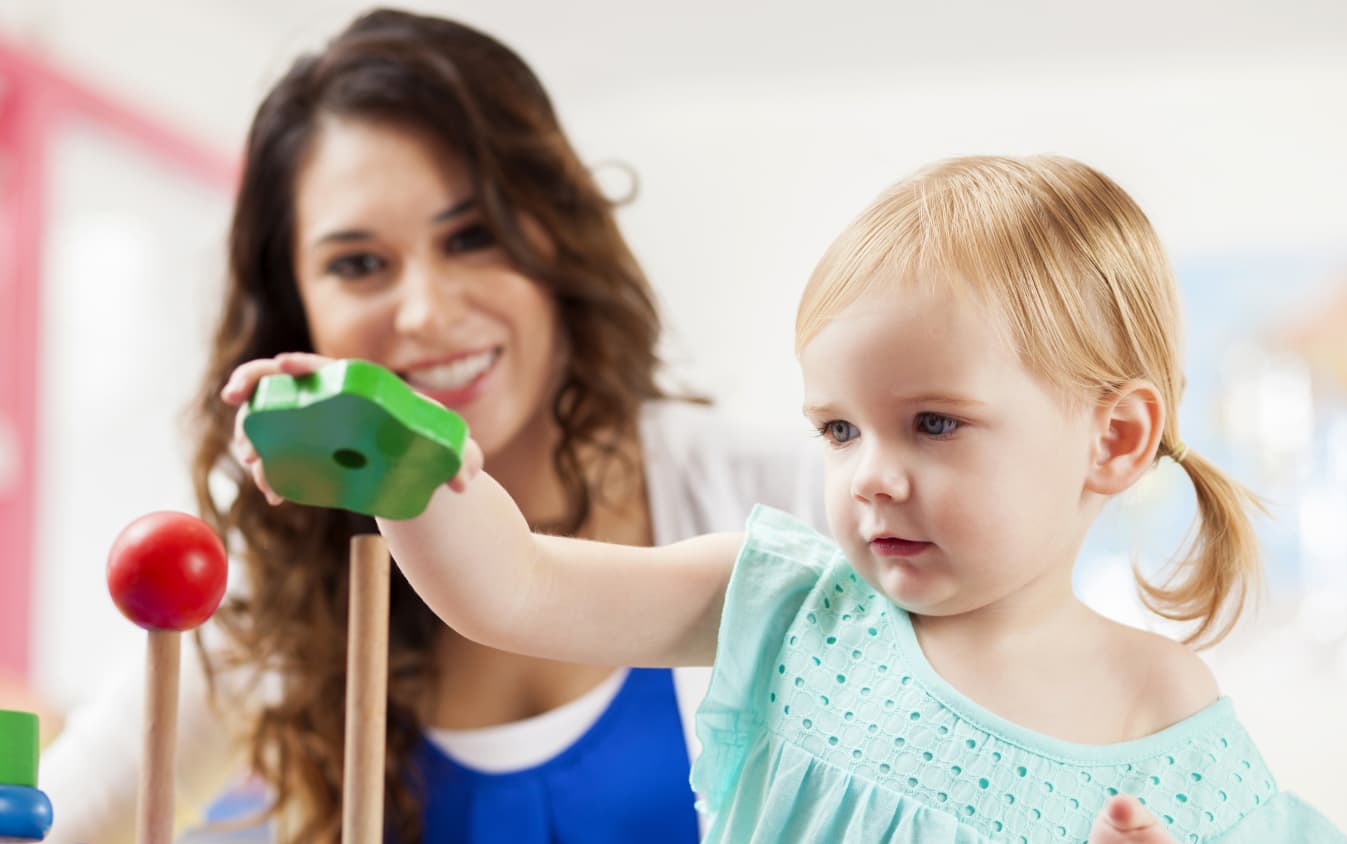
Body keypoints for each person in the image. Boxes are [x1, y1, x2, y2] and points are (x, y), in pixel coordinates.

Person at [227, 156, 1347, 842]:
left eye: (935, 423)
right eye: (839, 428)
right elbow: (514, 585)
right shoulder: (786, 601)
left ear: (1112, 437)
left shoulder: (1156, 700)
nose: (870, 472)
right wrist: (400, 464)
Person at [39, 8, 827, 844]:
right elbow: (55, 818)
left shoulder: (793, 503)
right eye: (358, 264)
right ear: (296, 308)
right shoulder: (281, 590)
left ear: (558, 241)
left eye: (473, 236)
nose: (424, 313)